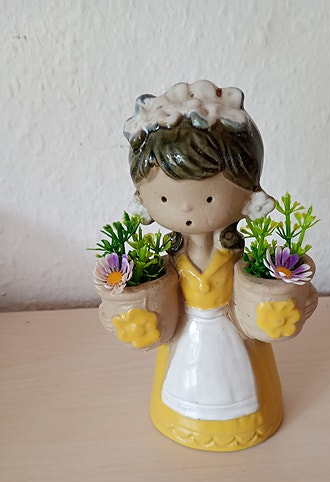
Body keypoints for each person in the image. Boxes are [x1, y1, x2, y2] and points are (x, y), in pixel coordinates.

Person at [122, 80, 309, 450]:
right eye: (164, 198)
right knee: (180, 381)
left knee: (238, 383)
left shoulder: (237, 259)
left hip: (229, 336)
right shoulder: (172, 260)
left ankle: (246, 421)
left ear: (248, 192)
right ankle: (179, 416)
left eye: (208, 197)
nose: (186, 208)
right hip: (186, 336)